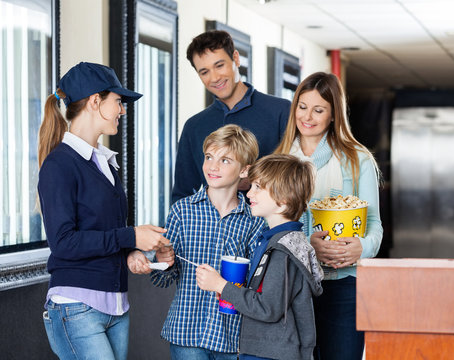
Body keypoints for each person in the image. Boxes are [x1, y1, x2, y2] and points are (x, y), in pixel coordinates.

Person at [38, 62, 172, 360]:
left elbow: (102, 232)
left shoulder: (105, 162)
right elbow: (64, 243)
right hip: (76, 306)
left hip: (116, 307)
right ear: (95, 101)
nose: (122, 110)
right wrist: (130, 236)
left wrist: (131, 252)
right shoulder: (59, 164)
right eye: (118, 101)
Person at [274, 72, 383, 360]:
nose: (307, 116)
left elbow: (374, 227)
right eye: (302, 106)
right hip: (291, 287)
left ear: (334, 115)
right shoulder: (280, 161)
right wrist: (308, 245)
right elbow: (268, 224)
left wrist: (363, 247)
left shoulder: (357, 159)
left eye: (319, 110)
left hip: (344, 286)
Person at [150, 124, 265, 359]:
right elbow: (161, 279)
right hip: (186, 334)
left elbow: (256, 285)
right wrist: (163, 262)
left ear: (244, 170)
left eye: (225, 160)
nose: (213, 166)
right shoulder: (182, 211)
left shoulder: (254, 221)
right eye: (209, 157)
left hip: (231, 336)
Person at [196, 154, 324, 360]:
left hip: (271, 353)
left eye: (258, 188)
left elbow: (268, 308)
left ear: (283, 202)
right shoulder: (271, 240)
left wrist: (221, 286)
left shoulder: (282, 250)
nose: (249, 194)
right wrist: (232, 293)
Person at [172, 30, 291, 203]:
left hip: (271, 225)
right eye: (204, 72)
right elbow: (182, 194)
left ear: (236, 58)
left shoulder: (280, 111)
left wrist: (253, 178)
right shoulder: (194, 126)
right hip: (213, 227)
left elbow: (297, 177)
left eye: (219, 65)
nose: (215, 77)